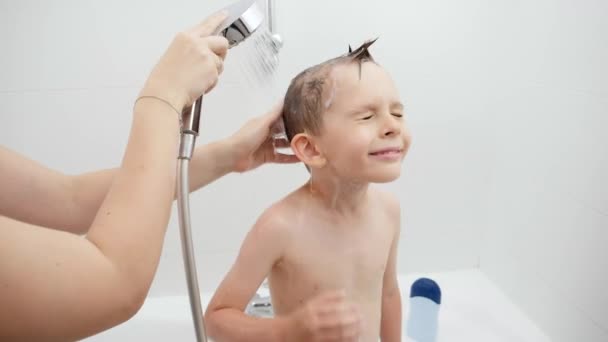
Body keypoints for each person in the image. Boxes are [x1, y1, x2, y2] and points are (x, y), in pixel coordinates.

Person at [0, 11, 297, 341]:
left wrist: (225, 157)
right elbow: (113, 286)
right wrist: (162, 97)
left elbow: (65, 200)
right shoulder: (280, 227)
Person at [205, 39, 412, 342]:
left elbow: (388, 294)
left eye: (397, 113)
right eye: (367, 116)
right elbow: (216, 318)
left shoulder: (388, 211)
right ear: (311, 148)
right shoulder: (281, 227)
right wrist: (287, 330)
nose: (392, 126)